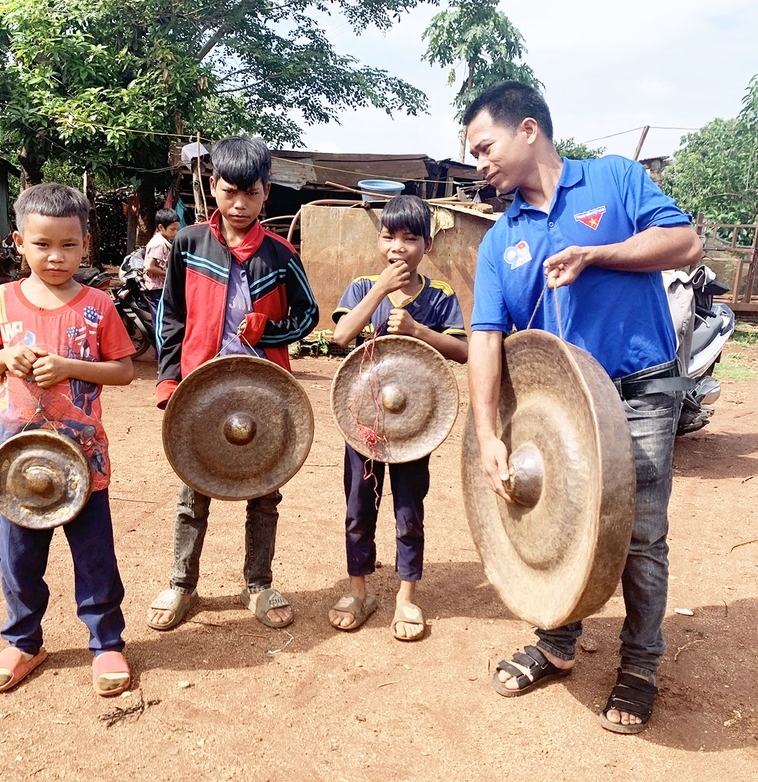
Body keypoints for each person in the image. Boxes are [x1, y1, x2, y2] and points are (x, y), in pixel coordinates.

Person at [463, 81, 702, 732]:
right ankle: (557, 643)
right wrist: (487, 433)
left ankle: (640, 665)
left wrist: (598, 254)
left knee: (640, 533)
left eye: (484, 147)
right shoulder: (499, 241)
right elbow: (485, 338)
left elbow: (685, 244)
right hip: (561, 409)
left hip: (640, 388)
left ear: (528, 130)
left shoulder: (614, 180)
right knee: (561, 521)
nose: (479, 163)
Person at [0, 183, 136, 696]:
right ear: (19, 242)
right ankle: (23, 641)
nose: (56, 256)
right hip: (18, 461)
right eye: (42, 244)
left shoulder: (98, 305)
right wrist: (5, 357)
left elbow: (124, 371)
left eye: (68, 244)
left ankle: (106, 643)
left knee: (94, 556)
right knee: (18, 556)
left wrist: (69, 367)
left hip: (83, 457)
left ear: (86, 244)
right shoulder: (0, 301)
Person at [147, 136, 318, 632]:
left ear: (266, 192)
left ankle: (258, 584)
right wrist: (169, 380)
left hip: (265, 392)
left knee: (265, 492)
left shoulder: (281, 253)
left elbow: (308, 314)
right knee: (192, 492)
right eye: (229, 192)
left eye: (251, 193)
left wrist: (271, 331)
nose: (240, 204)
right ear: (213, 187)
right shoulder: (188, 243)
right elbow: (171, 316)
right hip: (202, 388)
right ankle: (182, 584)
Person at [328, 195, 468, 641]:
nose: (398, 247)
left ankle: (407, 597)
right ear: (379, 240)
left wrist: (418, 331)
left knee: (409, 510)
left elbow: (464, 351)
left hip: (415, 426)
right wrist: (381, 290)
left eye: (410, 238)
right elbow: (341, 335)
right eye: (389, 237)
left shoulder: (440, 295)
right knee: (358, 508)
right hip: (363, 422)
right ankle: (358, 590)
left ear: (428, 244)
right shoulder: (361, 288)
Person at [141, 208, 180, 347]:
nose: (175, 232)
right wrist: (169, 273)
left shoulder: (163, 241)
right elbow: (149, 267)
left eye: (176, 229)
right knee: (161, 323)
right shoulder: (158, 244)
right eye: (172, 229)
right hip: (156, 289)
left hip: (161, 287)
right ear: (161, 227)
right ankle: (161, 353)